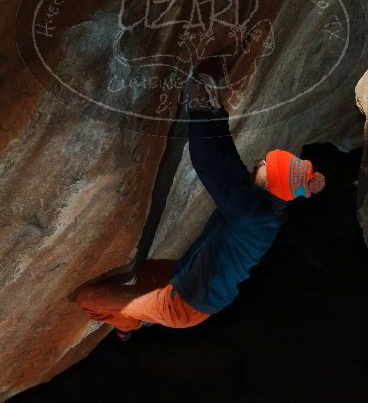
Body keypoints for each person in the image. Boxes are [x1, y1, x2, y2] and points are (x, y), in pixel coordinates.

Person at [69, 73, 326, 340]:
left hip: (183, 305)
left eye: (265, 164)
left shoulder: (250, 214)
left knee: (87, 297)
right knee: (147, 272)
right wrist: (215, 113)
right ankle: (137, 311)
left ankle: (128, 324)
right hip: (191, 281)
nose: (259, 161)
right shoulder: (266, 203)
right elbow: (227, 160)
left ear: (271, 181)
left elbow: (209, 166)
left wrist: (200, 111)